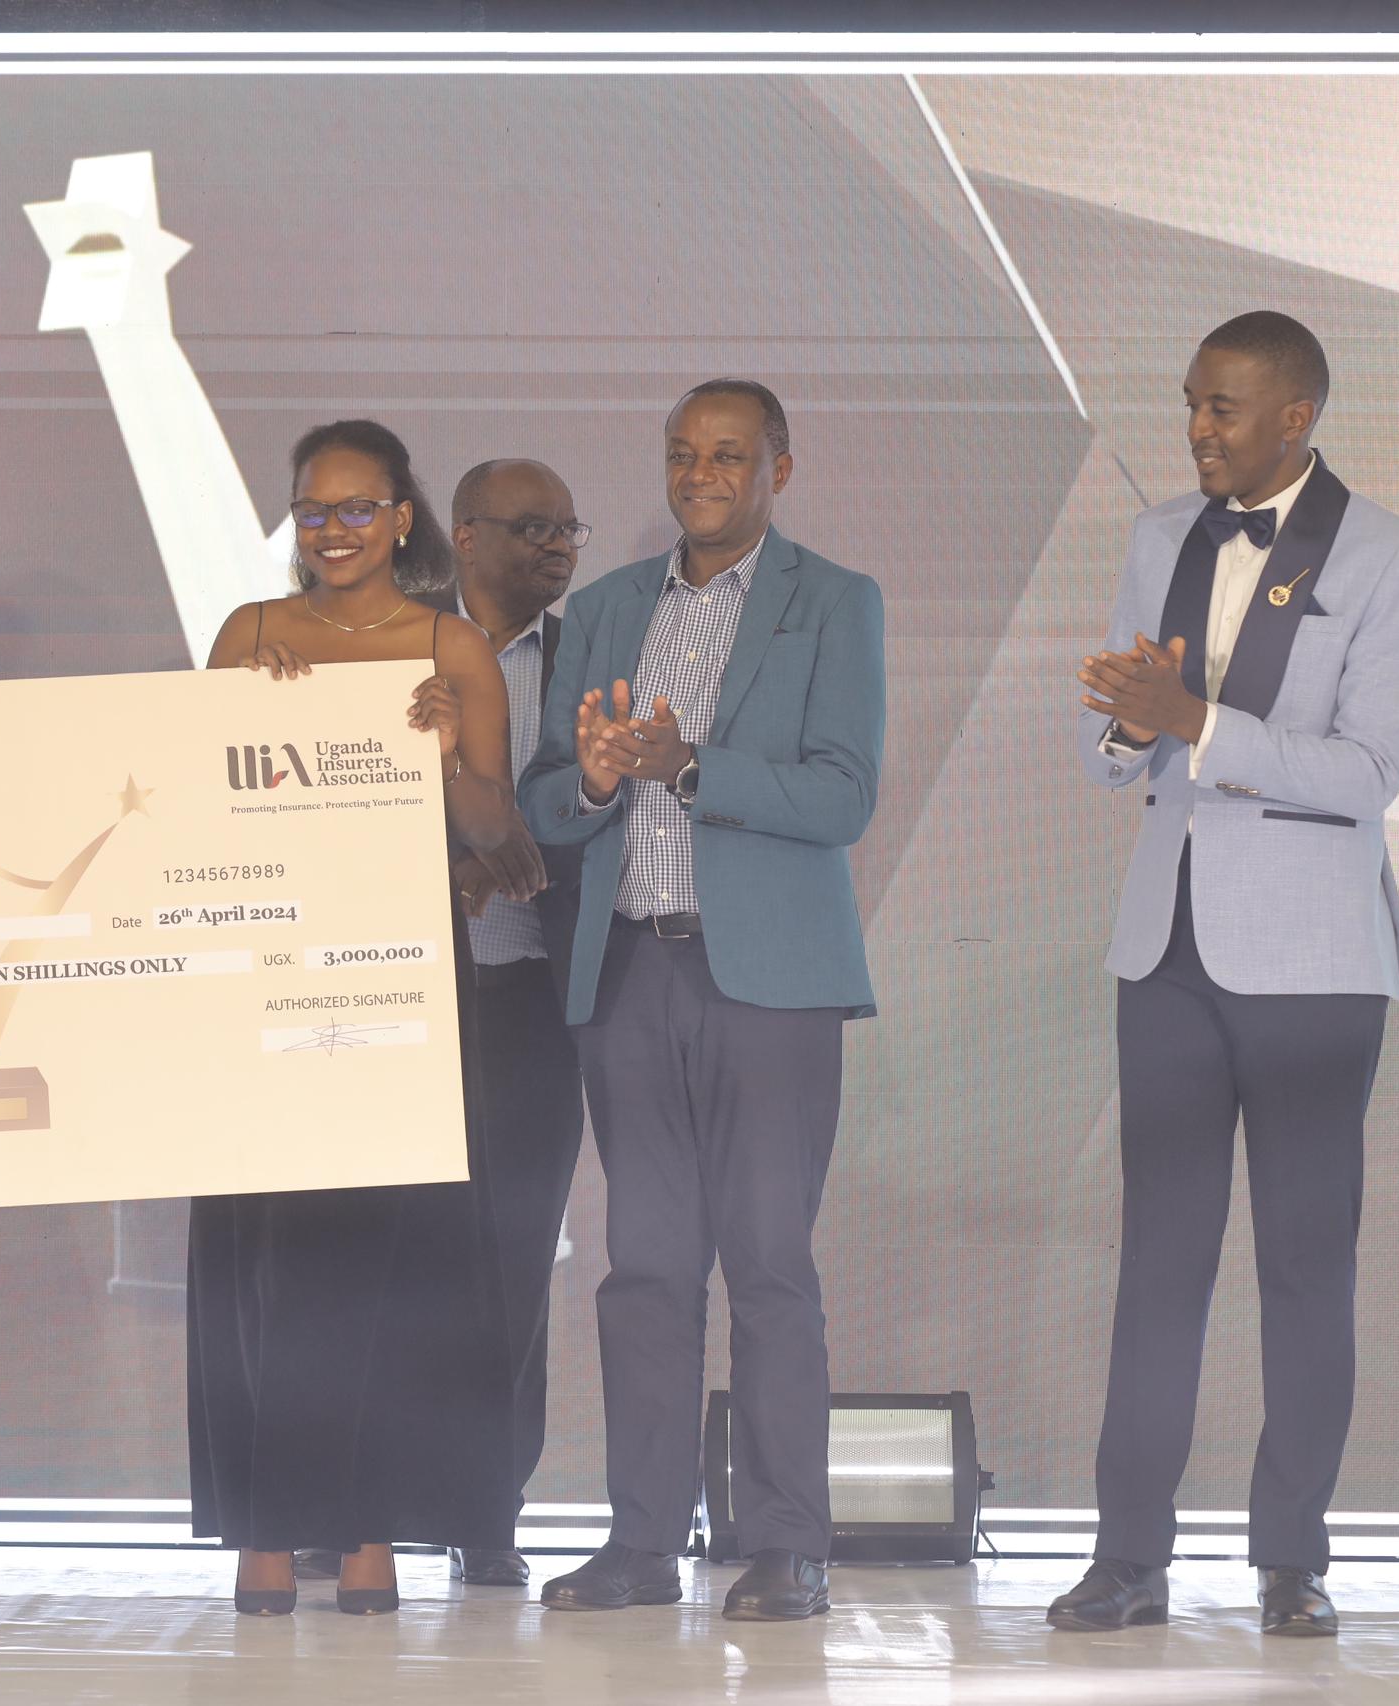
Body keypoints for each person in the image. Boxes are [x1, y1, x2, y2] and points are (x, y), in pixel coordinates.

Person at [1049, 313, 1399, 1640]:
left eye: (1222, 408)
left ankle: (1293, 1558)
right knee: (1156, 1262)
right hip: (1166, 948)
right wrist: (1125, 723)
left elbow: (1366, 773)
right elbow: (1111, 758)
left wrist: (1196, 721)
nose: (1197, 429)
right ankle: (1126, 1556)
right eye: (1191, 404)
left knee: (1305, 1268)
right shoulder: (1160, 537)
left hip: (1314, 961)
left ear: (1295, 417)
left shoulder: (1389, 557)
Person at [522, 380, 884, 1623]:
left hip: (770, 987)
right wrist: (595, 779)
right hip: (629, 972)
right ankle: (640, 1540)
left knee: (768, 1263)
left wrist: (690, 765)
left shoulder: (832, 601)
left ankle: (786, 1543)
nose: (699, 474)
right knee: (644, 1270)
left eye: (728, 454)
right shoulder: (605, 609)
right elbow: (544, 800)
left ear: (780, 464)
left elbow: (842, 794)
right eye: (682, 453)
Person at [188, 418, 547, 1617]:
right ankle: (263, 1527)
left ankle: (368, 1529)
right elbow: (185, 800)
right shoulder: (248, 636)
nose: (333, 528)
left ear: (401, 518)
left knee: (386, 1269)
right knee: (267, 1266)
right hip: (262, 982)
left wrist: (440, 753)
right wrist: (249, 717)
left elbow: (499, 837)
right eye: (313, 508)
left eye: (356, 507)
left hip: (402, 992)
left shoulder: (452, 647)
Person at [445, 458, 590, 1587]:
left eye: (567, 530)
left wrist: (526, 851)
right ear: (464, 535)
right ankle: (343, 1506)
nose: (556, 547)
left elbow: (608, 810)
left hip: (536, 999)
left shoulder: (592, 655)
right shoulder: (394, 647)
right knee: (378, 1259)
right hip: (399, 1001)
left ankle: (486, 1507)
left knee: (512, 1262)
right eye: (532, 527)